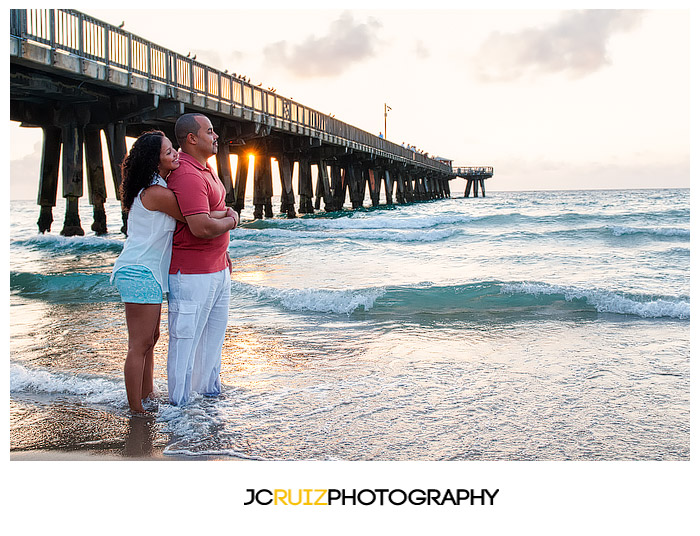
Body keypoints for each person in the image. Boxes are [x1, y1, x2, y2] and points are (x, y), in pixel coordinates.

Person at [110, 129, 236, 414]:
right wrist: (229, 215)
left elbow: (196, 211)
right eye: (168, 152)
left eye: (173, 149)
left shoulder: (155, 187)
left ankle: (147, 394)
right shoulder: (155, 193)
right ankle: (136, 409)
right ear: (155, 162)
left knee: (150, 340)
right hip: (139, 271)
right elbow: (195, 215)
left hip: (148, 272)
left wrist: (219, 213)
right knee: (140, 344)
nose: (175, 154)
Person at [166, 113, 239, 406]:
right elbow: (201, 226)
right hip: (192, 274)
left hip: (217, 269)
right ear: (192, 139)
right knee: (185, 345)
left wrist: (225, 255)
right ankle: (178, 412)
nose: (216, 136)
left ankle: (208, 403)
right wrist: (232, 221)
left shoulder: (205, 169)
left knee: (211, 344)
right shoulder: (187, 174)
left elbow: (212, 214)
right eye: (210, 131)